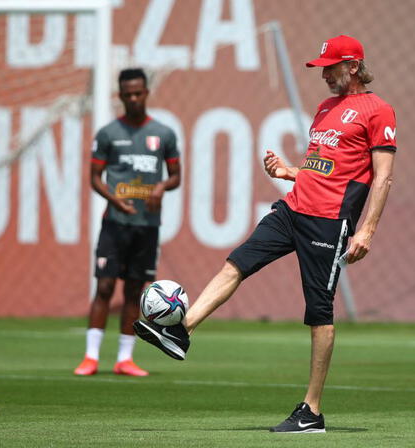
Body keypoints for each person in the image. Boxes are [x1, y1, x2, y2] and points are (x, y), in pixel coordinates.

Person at [134, 35, 396, 432]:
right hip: (292, 209)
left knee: (319, 313)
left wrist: (367, 230)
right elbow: (323, 165)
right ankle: (181, 332)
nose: (324, 74)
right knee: (236, 263)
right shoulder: (326, 108)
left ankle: (312, 412)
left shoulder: (378, 111)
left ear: (354, 67)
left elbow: (382, 178)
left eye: (331, 67)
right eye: (321, 67)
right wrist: (290, 171)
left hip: (329, 221)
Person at [74, 68, 181, 377]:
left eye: (138, 93)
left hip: (148, 224)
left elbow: (175, 175)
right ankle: (91, 357)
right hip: (115, 222)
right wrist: (113, 199)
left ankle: (125, 359)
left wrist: (161, 186)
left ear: (146, 93)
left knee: (135, 290)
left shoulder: (164, 133)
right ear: (120, 96)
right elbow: (95, 177)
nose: (133, 99)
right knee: (105, 286)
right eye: (127, 94)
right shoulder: (108, 134)